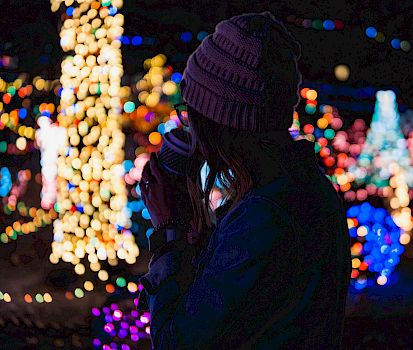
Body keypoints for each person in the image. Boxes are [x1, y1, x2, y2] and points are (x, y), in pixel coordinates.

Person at [137, 11, 351, 349]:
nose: (186, 126)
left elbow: (176, 342)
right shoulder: (301, 189)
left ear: (218, 122)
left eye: (190, 112)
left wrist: (169, 232)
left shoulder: (264, 217)